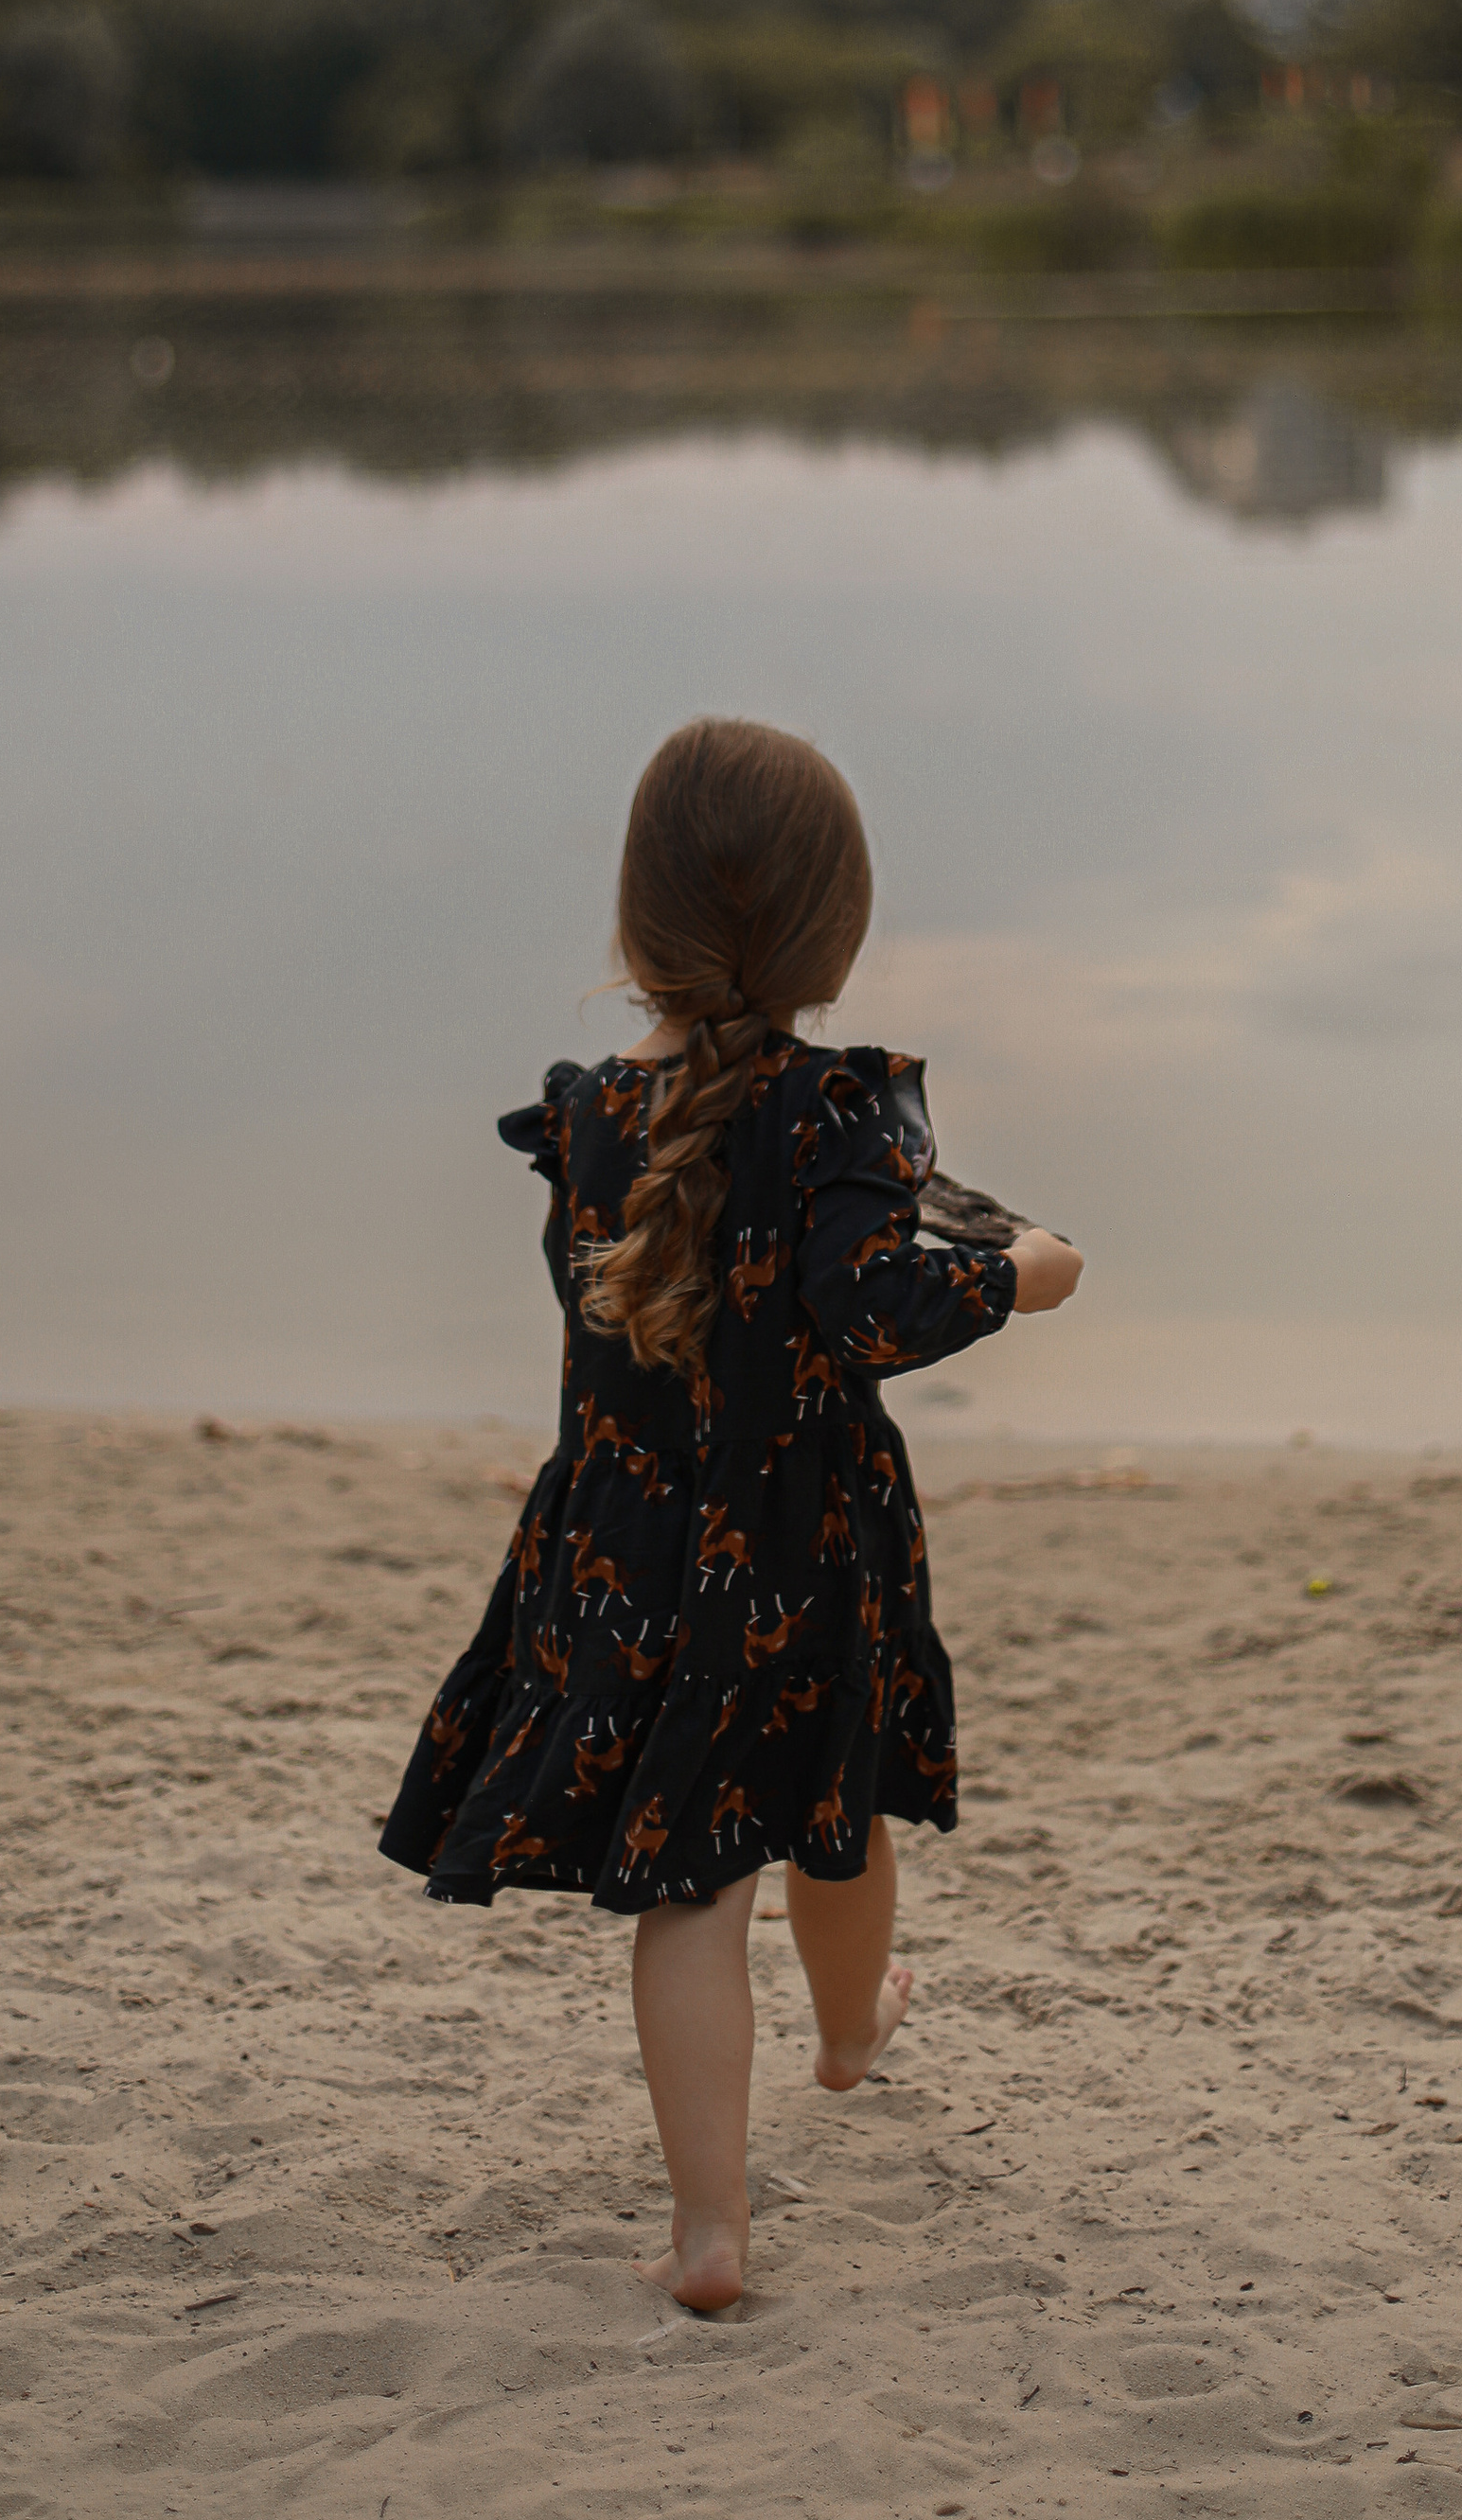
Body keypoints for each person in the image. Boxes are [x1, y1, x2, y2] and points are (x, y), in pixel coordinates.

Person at [378, 714, 1084, 2312]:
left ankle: (709, 2233)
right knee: (830, 1813)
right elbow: (872, 1310)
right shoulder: (838, 1111)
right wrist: (1026, 1272)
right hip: (801, 1550)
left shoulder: (590, 1117)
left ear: (640, 924)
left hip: (626, 1552)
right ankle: (850, 2035)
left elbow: (627, 1310)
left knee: (691, 1881)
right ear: (838, 935)